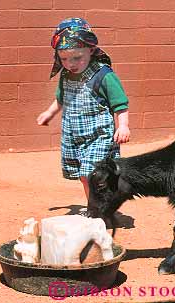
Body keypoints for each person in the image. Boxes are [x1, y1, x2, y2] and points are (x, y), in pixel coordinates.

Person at [37, 17, 130, 215]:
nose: (70, 63)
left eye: (77, 57)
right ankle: (95, 208)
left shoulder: (103, 75)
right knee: (83, 175)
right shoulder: (66, 75)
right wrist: (49, 112)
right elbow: (61, 99)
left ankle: (100, 210)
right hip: (73, 136)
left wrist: (123, 126)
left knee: (91, 173)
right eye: (64, 59)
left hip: (99, 134)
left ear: (91, 50)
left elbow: (120, 103)